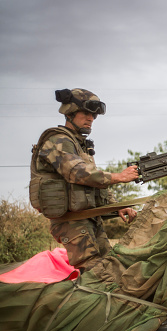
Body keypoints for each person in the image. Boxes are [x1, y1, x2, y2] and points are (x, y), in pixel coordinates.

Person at [29, 88, 139, 270]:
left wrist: (117, 207)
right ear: (70, 112)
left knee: (111, 267)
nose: (91, 119)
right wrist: (119, 177)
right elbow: (78, 173)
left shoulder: (79, 145)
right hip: (71, 222)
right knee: (94, 272)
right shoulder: (57, 140)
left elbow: (94, 185)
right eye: (86, 113)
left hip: (89, 218)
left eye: (94, 116)